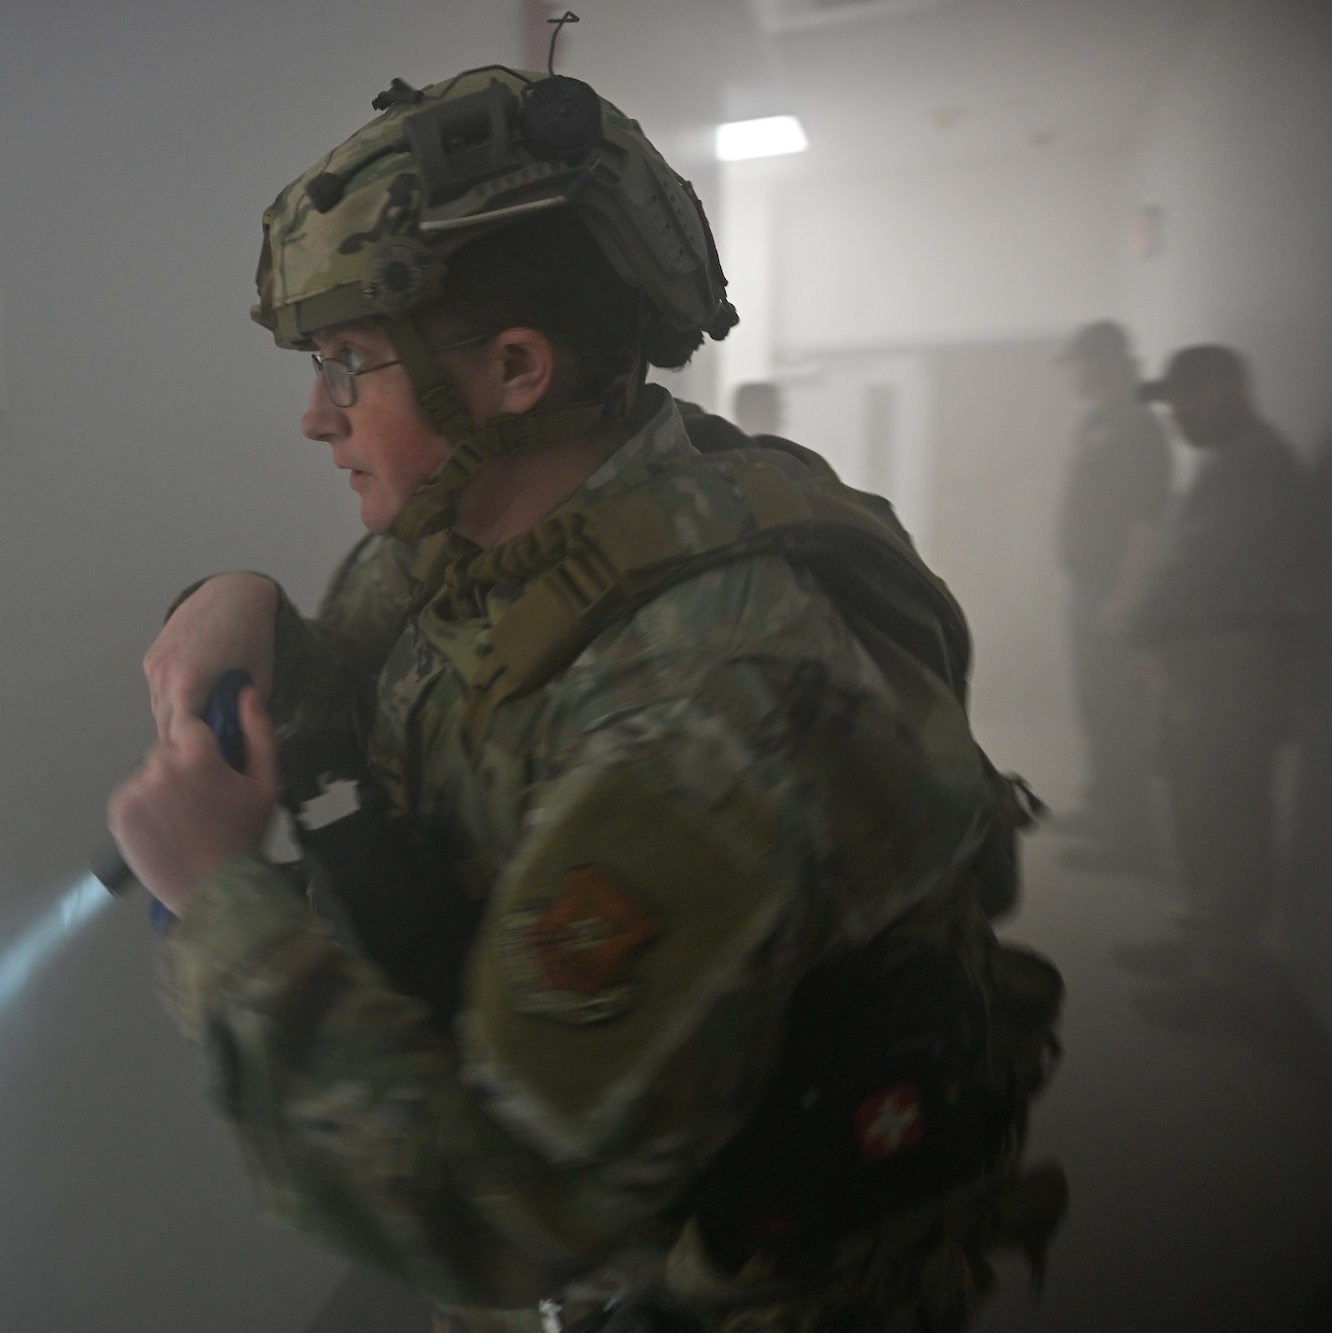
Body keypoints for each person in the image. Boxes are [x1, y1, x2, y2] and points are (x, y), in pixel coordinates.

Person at [108, 66, 1062, 1333]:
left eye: (348, 365)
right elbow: (407, 705)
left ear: (512, 369)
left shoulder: (703, 712)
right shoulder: (490, 532)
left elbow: (507, 1211)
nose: (312, 418)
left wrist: (217, 909)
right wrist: (247, 604)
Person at [1122, 345, 1309, 1005]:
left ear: (1227, 387)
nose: (1174, 415)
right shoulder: (1231, 461)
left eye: (1184, 398)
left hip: (1235, 662)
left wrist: (1136, 623)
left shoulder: (1254, 463)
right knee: (1197, 804)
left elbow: (1197, 566)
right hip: (1208, 658)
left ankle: (1223, 971)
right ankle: (1201, 935)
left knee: (1228, 815)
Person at [1050, 320, 1173, 872]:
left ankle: (1128, 839)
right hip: (1087, 591)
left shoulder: (1136, 428)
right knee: (1095, 709)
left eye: (1076, 363)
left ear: (1099, 364)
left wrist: (1125, 599)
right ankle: (1104, 810)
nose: (1071, 375)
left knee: (1117, 714)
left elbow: (1144, 522)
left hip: (1110, 594)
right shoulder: (1097, 422)